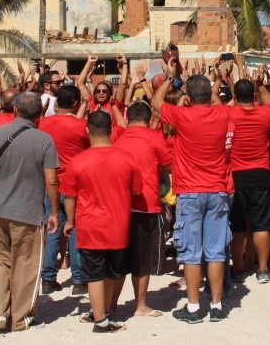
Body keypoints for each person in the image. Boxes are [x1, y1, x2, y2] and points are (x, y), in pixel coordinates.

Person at [152, 59, 231, 324]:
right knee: (216, 251)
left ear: (188, 97)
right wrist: (212, 83)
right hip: (218, 190)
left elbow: (156, 102)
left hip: (189, 192)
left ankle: (195, 307)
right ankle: (218, 305)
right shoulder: (222, 114)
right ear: (209, 95)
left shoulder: (183, 116)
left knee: (191, 253)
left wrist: (170, 77)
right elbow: (219, 103)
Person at [0, 92, 59, 333]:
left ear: (14, 111)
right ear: (39, 114)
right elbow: (51, 180)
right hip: (27, 210)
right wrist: (53, 210)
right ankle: (20, 316)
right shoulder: (44, 140)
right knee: (26, 263)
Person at [63, 110, 142, 333]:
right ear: (111, 130)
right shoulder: (128, 159)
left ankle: (100, 318)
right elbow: (136, 191)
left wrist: (70, 221)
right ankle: (104, 313)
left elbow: (70, 197)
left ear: (87, 130)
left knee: (94, 273)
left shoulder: (77, 161)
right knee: (111, 273)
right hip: (118, 224)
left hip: (89, 225)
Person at [112, 100, 172, 317]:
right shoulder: (155, 137)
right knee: (142, 259)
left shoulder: (118, 137)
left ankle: (111, 306)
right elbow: (168, 163)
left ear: (129, 119)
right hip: (147, 205)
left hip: (119, 206)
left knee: (118, 259)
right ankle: (140, 306)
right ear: (148, 119)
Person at [37, 84, 90, 295]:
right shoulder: (81, 126)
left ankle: (48, 278)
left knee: (53, 230)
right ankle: (78, 280)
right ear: (75, 103)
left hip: (50, 183)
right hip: (74, 185)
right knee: (75, 229)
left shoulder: (42, 124)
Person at [226, 71, 270, 284]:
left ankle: (237, 268)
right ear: (254, 96)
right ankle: (263, 269)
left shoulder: (229, 114)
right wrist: (261, 85)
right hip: (260, 175)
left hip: (236, 175)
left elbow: (217, 104)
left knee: (238, 225)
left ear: (235, 96)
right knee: (261, 224)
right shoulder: (265, 115)